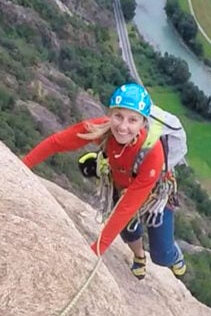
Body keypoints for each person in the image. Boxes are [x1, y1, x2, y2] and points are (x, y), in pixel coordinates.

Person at [22, 82, 186, 280]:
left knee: (161, 255)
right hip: (122, 182)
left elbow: (127, 207)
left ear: (143, 123)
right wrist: (20, 167)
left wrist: (96, 249)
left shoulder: (153, 153)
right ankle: (139, 257)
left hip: (155, 193)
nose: (123, 126)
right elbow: (57, 142)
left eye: (132, 120)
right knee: (128, 231)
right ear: (110, 115)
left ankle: (174, 255)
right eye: (118, 116)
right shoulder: (102, 129)